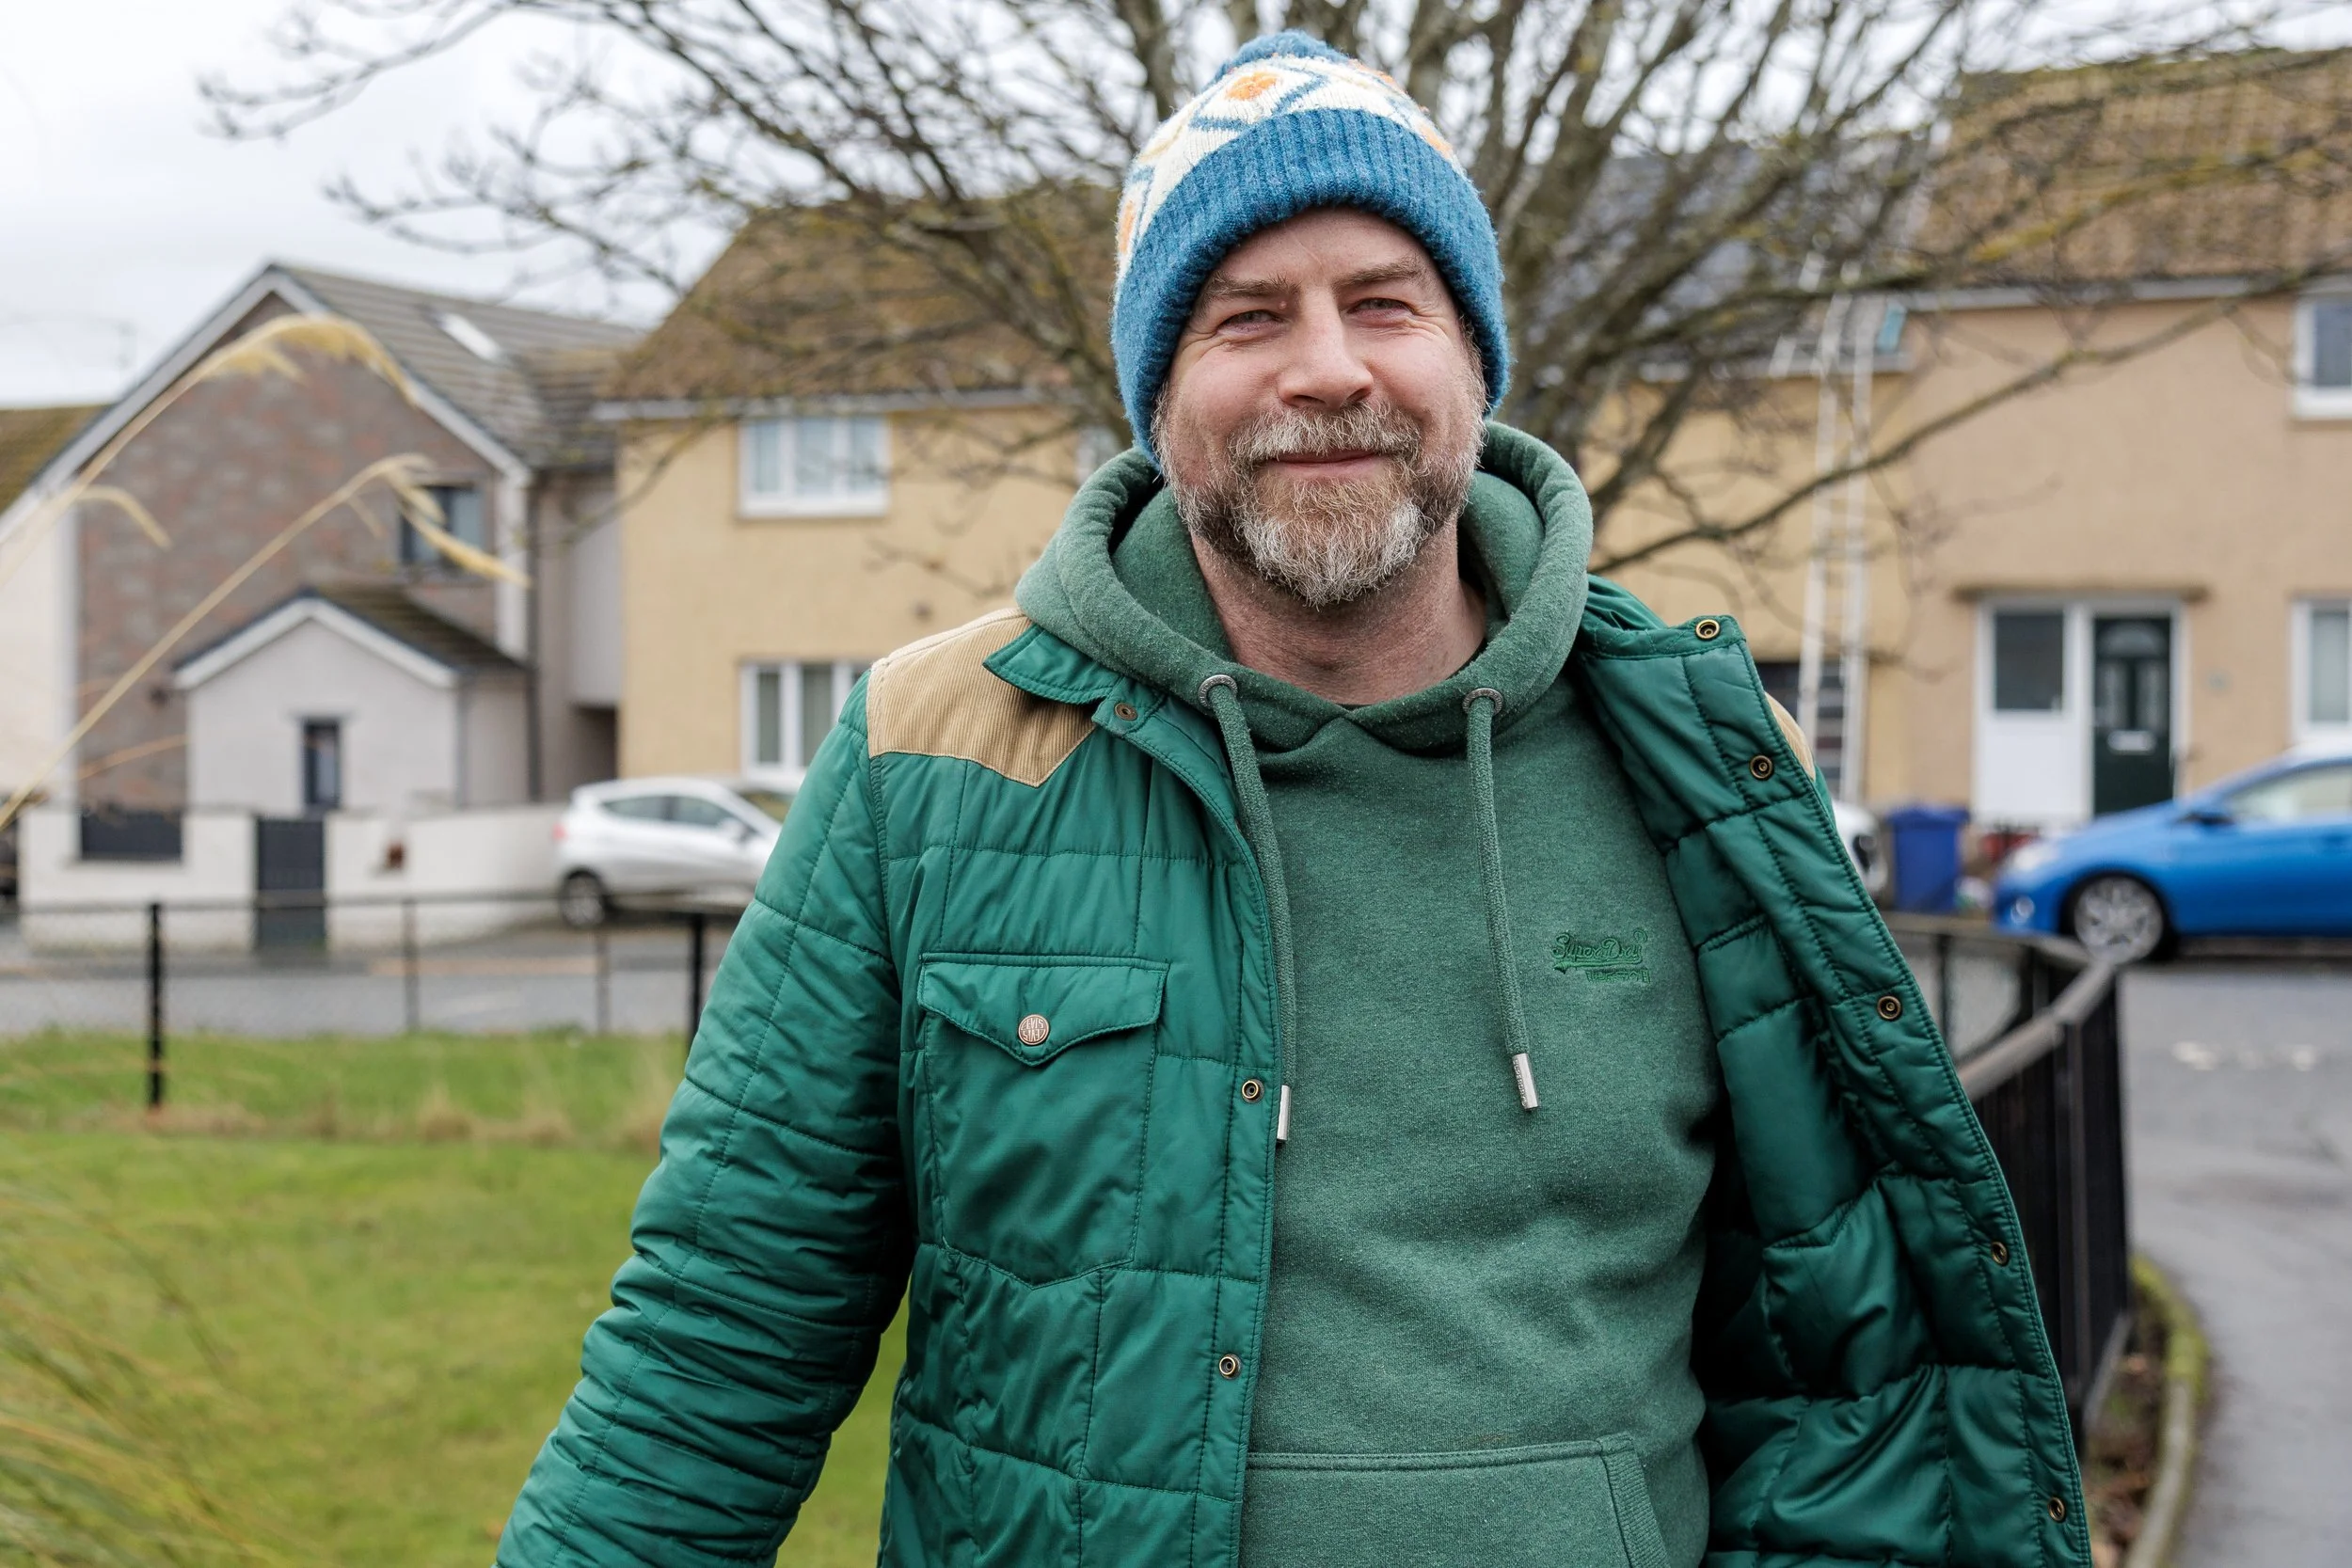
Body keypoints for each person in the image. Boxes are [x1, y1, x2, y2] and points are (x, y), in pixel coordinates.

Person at [498, 31, 2086, 1568]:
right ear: (1160, 395)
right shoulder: (933, 755)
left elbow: (1840, 1365)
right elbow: (718, 1330)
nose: (1327, 368)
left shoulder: (1701, 763)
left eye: (1385, 302)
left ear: (1473, 363)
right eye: (1247, 316)